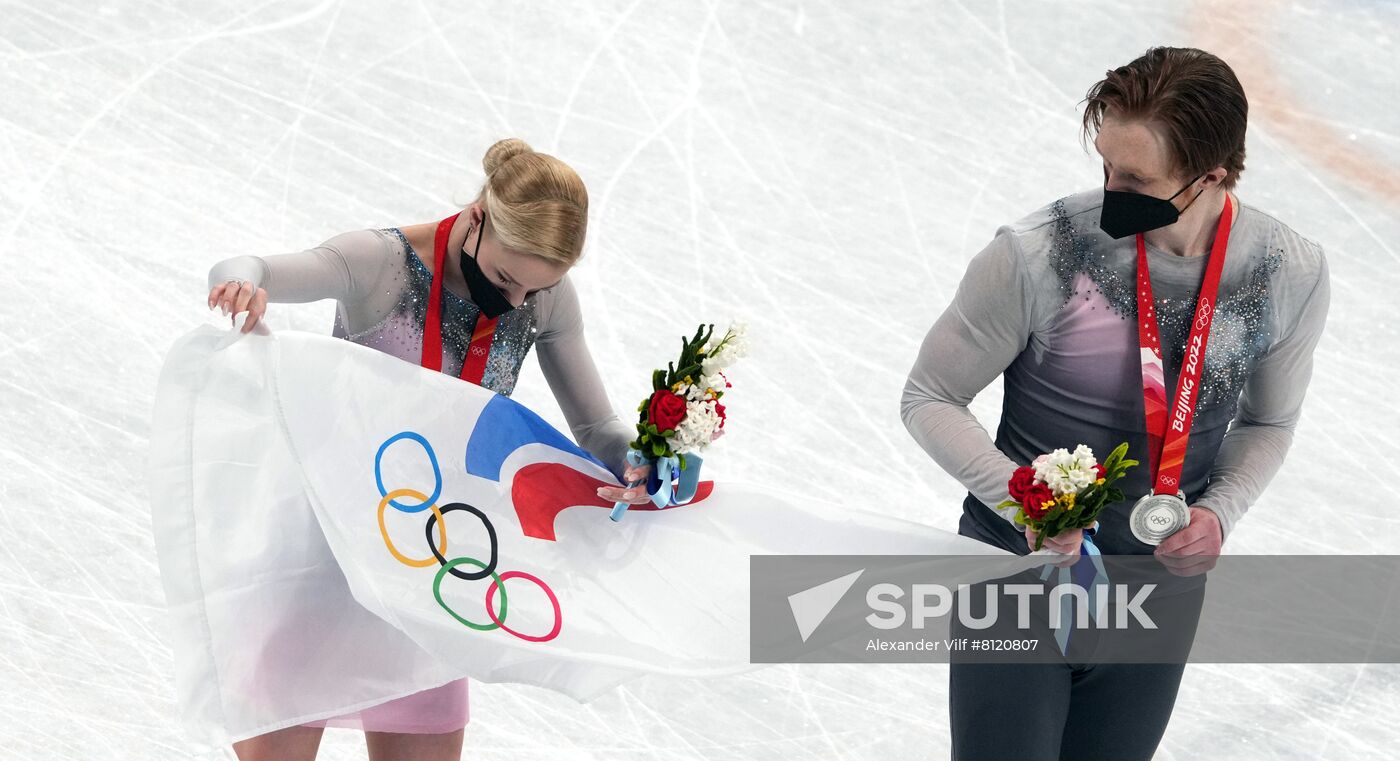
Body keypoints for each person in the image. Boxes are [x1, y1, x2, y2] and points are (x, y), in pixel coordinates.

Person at [900, 47, 1330, 760]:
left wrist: (1218, 512)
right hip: (1019, 572)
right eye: (1105, 164)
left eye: (1135, 177)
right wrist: (1022, 500)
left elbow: (1269, 420)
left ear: (1211, 175)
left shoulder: (1288, 271)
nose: (1110, 190)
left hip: (1158, 593)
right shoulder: (1037, 254)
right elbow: (930, 395)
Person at [204, 138, 652, 761]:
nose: (519, 303)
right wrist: (240, 284)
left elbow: (598, 427)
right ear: (476, 219)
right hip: (328, 554)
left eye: (534, 290)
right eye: (505, 279)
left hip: (434, 568)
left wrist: (638, 457)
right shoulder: (379, 262)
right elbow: (250, 265)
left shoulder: (545, 298)